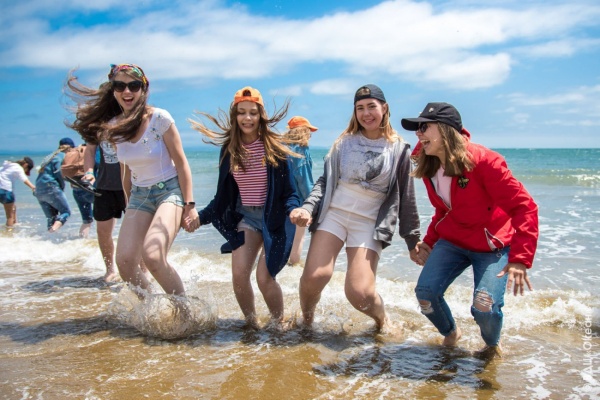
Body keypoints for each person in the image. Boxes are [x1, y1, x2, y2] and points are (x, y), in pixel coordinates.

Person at [400, 102, 539, 356]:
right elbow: (445, 210)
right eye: (417, 128)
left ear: (445, 129)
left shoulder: (486, 162)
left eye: (424, 127)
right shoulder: (429, 162)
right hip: (453, 241)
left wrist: (520, 258)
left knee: (484, 306)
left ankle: (491, 346)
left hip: (491, 245)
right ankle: (451, 333)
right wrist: (429, 242)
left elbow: (525, 207)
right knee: (426, 295)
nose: (418, 133)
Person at [290, 84, 421, 331]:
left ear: (384, 108)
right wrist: (307, 207)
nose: (366, 113)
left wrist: (412, 240)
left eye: (372, 106)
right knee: (314, 277)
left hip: (369, 222)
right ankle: (306, 321)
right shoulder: (344, 142)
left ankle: (383, 321)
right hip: (334, 214)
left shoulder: (399, 149)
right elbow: (325, 181)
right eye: (360, 108)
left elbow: (407, 197)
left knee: (359, 293)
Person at [65, 64, 198, 295]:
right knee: (125, 262)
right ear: (113, 90)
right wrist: (129, 206)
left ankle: (184, 309)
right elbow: (125, 170)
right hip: (139, 196)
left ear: (143, 89)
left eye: (134, 86)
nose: (127, 91)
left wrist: (190, 206)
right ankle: (152, 307)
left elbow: (181, 162)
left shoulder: (160, 118)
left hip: (169, 192)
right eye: (120, 86)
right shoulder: (114, 127)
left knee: (153, 256)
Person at [190, 86, 301, 329]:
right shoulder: (230, 150)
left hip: (275, 220)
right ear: (235, 115)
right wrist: (200, 217)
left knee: (264, 278)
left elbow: (290, 192)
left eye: (253, 112)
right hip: (247, 218)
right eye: (241, 112)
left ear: (261, 115)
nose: (247, 118)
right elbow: (223, 196)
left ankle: (278, 323)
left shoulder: (274, 148)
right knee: (239, 276)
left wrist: (294, 210)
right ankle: (252, 325)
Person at [66, 71, 143, 282]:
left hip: (132, 186)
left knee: (137, 232)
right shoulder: (98, 123)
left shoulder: (132, 119)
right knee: (102, 231)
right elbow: (90, 151)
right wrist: (89, 172)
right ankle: (110, 270)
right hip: (105, 185)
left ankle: (143, 270)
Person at [283, 116, 318, 266]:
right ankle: (293, 267)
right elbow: (304, 179)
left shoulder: (281, 148)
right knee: (298, 237)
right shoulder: (301, 150)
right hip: (297, 201)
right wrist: (312, 204)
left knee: (280, 236)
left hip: (281, 200)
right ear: (303, 131)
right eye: (309, 131)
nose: (310, 135)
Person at [35, 138, 74, 232]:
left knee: (51, 218)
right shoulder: (63, 156)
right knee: (66, 212)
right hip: (51, 186)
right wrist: (62, 187)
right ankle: (52, 231)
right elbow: (59, 173)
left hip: (39, 189)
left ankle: (49, 236)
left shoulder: (50, 156)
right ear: (70, 148)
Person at [0, 157, 35, 227]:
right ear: (26, 165)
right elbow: (24, 179)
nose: (25, 171)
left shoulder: (4, 167)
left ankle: (15, 223)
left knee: (13, 207)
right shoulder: (18, 168)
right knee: (9, 216)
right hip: (6, 191)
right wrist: (33, 188)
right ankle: (10, 232)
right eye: (27, 170)